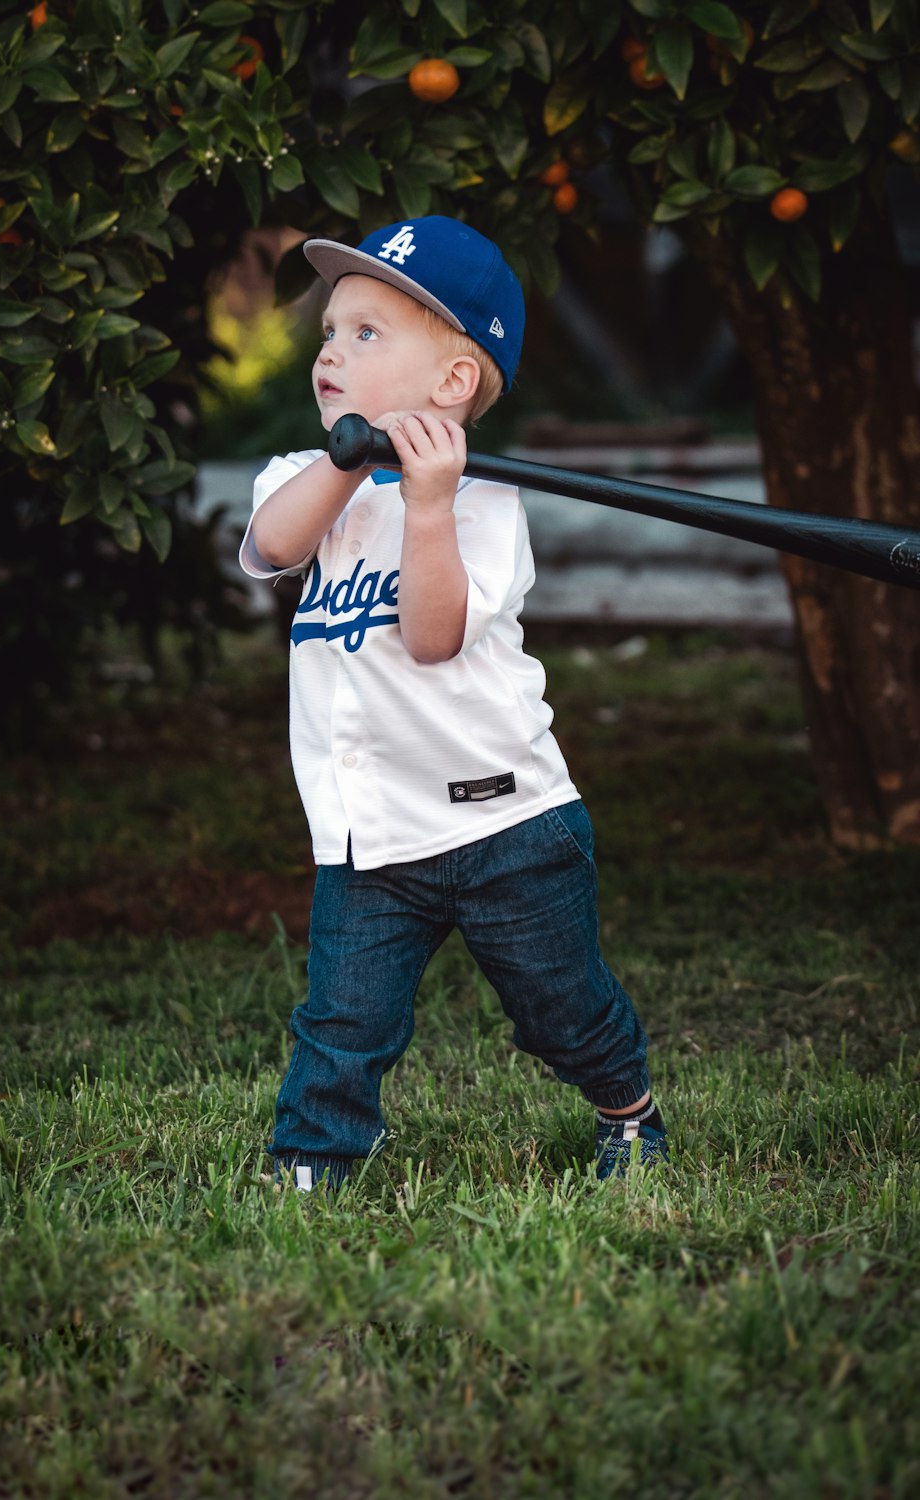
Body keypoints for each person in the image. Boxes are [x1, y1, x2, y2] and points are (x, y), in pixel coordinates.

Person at [239, 216, 668, 1192]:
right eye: (328, 334)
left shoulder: (483, 506)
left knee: (558, 1010)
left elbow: (432, 639)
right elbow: (272, 545)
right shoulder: (308, 484)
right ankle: (312, 1159)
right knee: (344, 1016)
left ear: (452, 385)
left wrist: (426, 505)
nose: (330, 354)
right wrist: (350, 464)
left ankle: (627, 1110)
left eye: (366, 335)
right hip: (369, 828)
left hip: (504, 823)